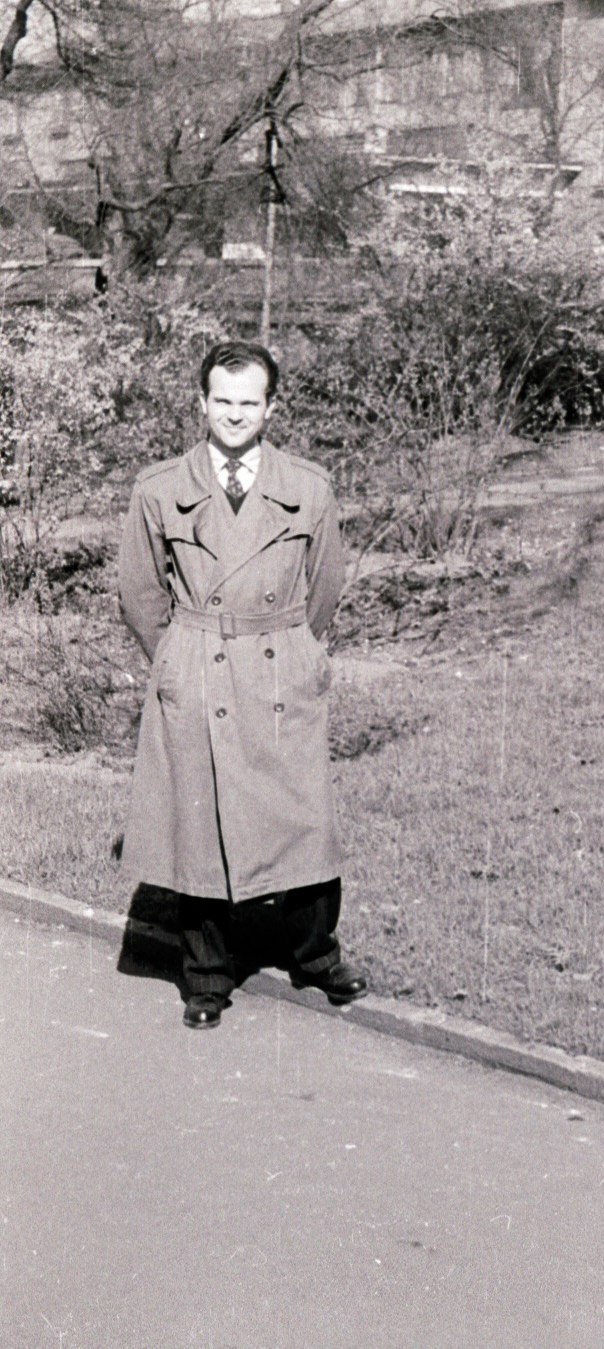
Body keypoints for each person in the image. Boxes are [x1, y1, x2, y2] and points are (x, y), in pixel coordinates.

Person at [118, 339, 367, 1029]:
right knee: (199, 825)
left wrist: (293, 651)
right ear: (202, 404)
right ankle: (206, 977)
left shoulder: (309, 487)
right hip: (199, 664)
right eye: (221, 402)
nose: (234, 415)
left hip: (280, 663)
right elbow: (139, 593)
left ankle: (317, 958)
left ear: (270, 407)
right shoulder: (159, 487)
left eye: (248, 403)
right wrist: (178, 657)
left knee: (303, 817)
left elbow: (325, 589)